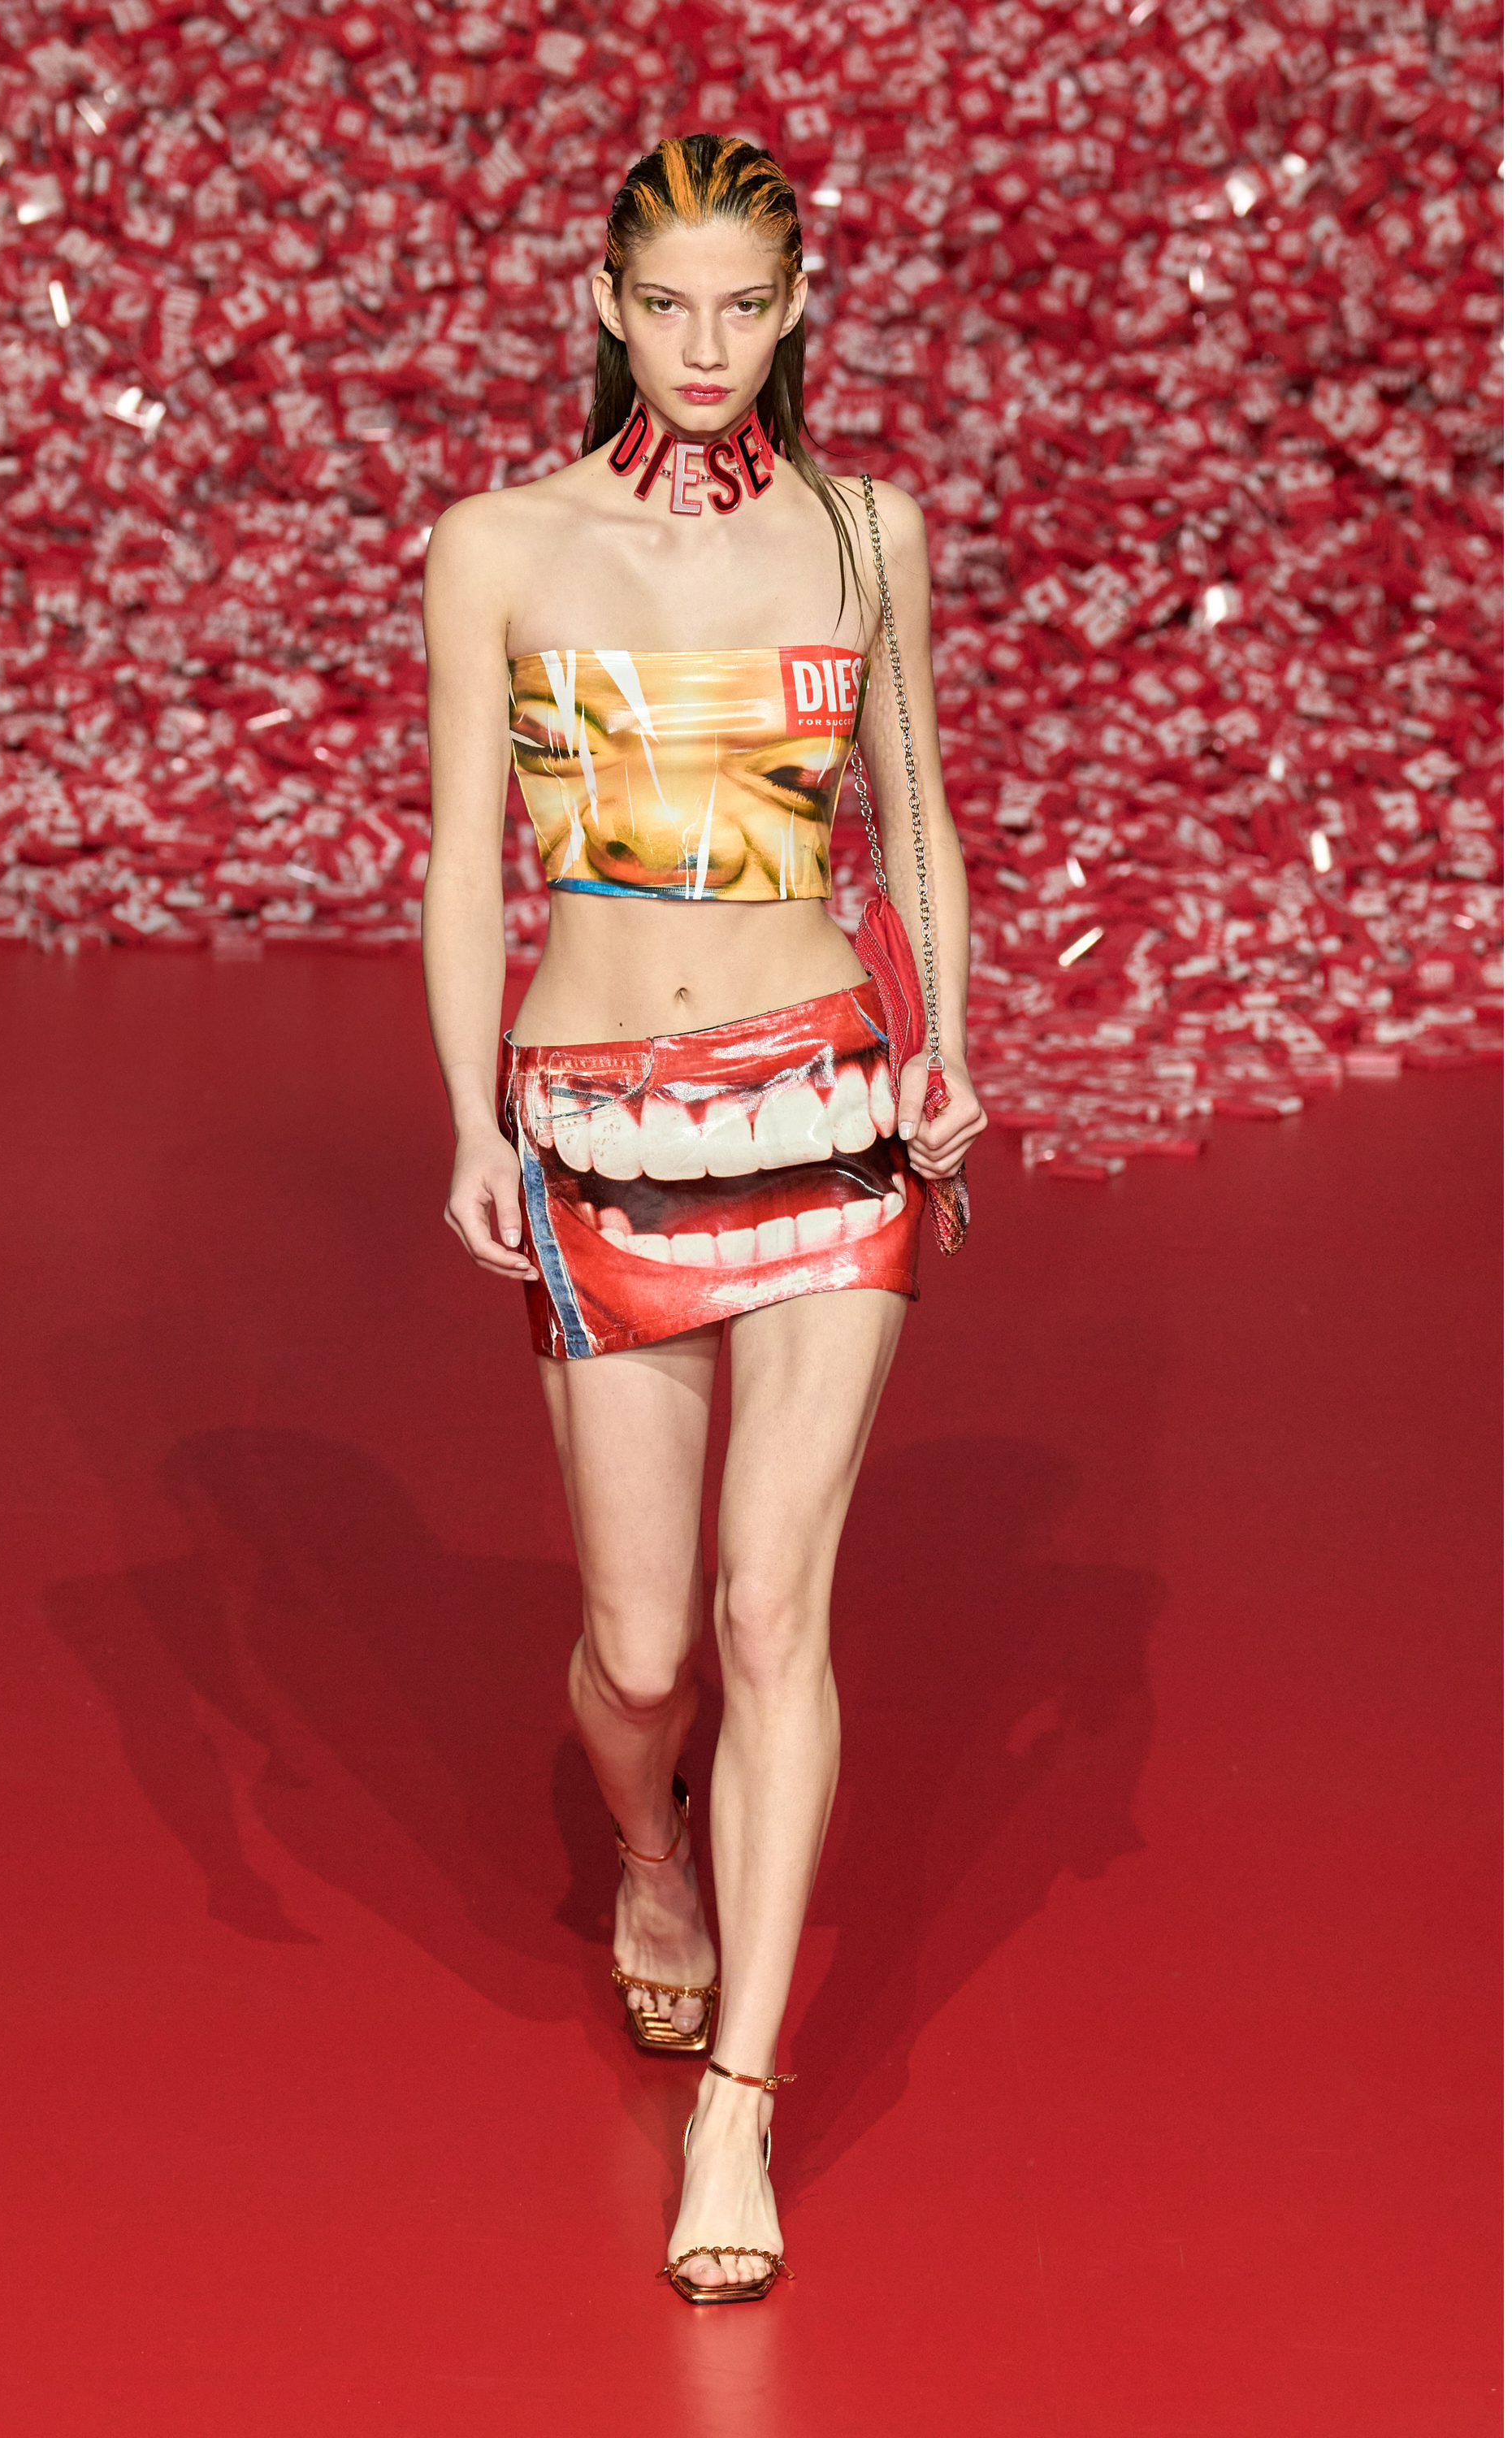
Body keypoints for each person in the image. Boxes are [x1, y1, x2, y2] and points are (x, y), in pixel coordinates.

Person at [420, 132, 987, 2303]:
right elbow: (462, 856)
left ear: (796, 305)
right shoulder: (500, 546)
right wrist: (469, 1118)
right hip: (596, 1121)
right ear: (604, 301)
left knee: (772, 1613)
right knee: (643, 1655)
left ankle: (737, 2102)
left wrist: (944, 1045)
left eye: (746, 306)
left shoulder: (864, 533)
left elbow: (914, 819)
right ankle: (649, 1847)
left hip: (831, 1103)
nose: (706, 346)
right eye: (668, 305)